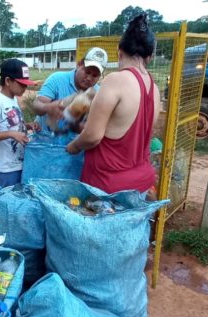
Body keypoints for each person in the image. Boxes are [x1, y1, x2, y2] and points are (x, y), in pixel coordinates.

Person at [66, 14, 161, 195]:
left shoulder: (115, 81)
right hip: (141, 181)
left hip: (108, 184)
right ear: (149, 57)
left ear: (119, 51)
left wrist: (74, 146)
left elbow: (92, 136)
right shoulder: (154, 88)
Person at [0, 58, 38, 187]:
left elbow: (14, 124)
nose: (25, 87)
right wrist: (11, 134)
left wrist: (27, 125)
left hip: (21, 163)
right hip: (7, 170)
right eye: (21, 84)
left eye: (26, 84)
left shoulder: (13, 100)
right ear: (7, 81)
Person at [33, 47, 108, 136]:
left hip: (74, 145)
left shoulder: (98, 93)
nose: (89, 78)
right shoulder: (57, 79)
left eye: (95, 75)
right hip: (45, 142)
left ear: (100, 76)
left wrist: (77, 123)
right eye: (87, 72)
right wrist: (47, 107)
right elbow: (37, 104)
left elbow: (92, 126)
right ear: (79, 64)